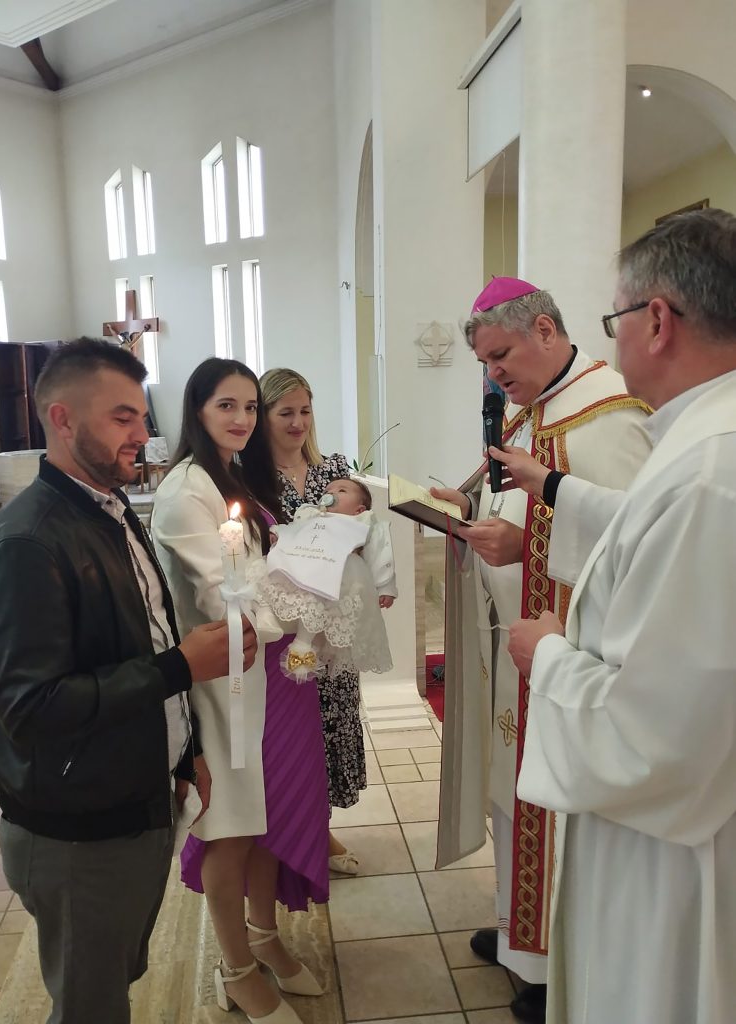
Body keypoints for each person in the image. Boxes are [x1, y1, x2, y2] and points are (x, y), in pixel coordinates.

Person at [0, 338, 250, 1024]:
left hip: (130, 798)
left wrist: (182, 753)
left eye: (142, 417)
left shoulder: (110, 511)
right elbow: (31, 708)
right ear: (62, 419)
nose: (142, 434)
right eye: (122, 418)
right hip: (75, 832)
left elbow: (144, 634)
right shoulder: (26, 544)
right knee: (90, 1005)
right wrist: (182, 668)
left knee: (113, 979)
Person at [505, 208, 736, 1024]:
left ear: (657, 320)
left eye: (616, 319)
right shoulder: (701, 442)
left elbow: (655, 731)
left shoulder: (708, 472)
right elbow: (641, 528)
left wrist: (547, 654)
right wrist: (550, 488)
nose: (613, 342)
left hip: (670, 853)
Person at [431, 278, 651, 1024]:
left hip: (568, 654)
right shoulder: (530, 408)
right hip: (515, 649)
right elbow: (510, 498)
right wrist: (462, 508)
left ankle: (556, 964)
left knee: (552, 802)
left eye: (501, 355)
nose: (493, 374)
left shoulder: (609, 413)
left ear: (547, 330)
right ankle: (518, 934)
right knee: (513, 794)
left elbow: (639, 547)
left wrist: (526, 549)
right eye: (484, 363)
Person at [151, 358, 328, 1024]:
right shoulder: (185, 490)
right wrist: (301, 596)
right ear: (197, 410)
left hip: (255, 675)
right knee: (228, 828)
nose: (243, 419)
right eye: (227, 405)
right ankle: (235, 969)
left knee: (258, 819)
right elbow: (219, 593)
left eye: (250, 407)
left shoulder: (228, 476)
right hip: (218, 682)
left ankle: (263, 936)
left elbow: (260, 572)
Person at [260, 369, 396, 876]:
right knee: (290, 735)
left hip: (333, 626)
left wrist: (373, 572)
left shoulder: (334, 471)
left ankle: (319, 828)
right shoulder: (251, 478)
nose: (298, 422)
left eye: (305, 410)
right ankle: (289, 834)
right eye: (285, 412)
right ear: (264, 416)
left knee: (331, 721)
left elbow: (368, 531)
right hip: (286, 627)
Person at [260, 476, 395, 680]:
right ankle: (265, 614)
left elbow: (379, 551)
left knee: (317, 598)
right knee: (263, 570)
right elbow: (294, 531)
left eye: (342, 490)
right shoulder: (312, 514)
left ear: (359, 509)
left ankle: (304, 645)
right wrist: (279, 535)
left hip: (339, 570)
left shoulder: (362, 520)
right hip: (305, 563)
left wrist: (384, 586)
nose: (331, 493)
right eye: (328, 490)